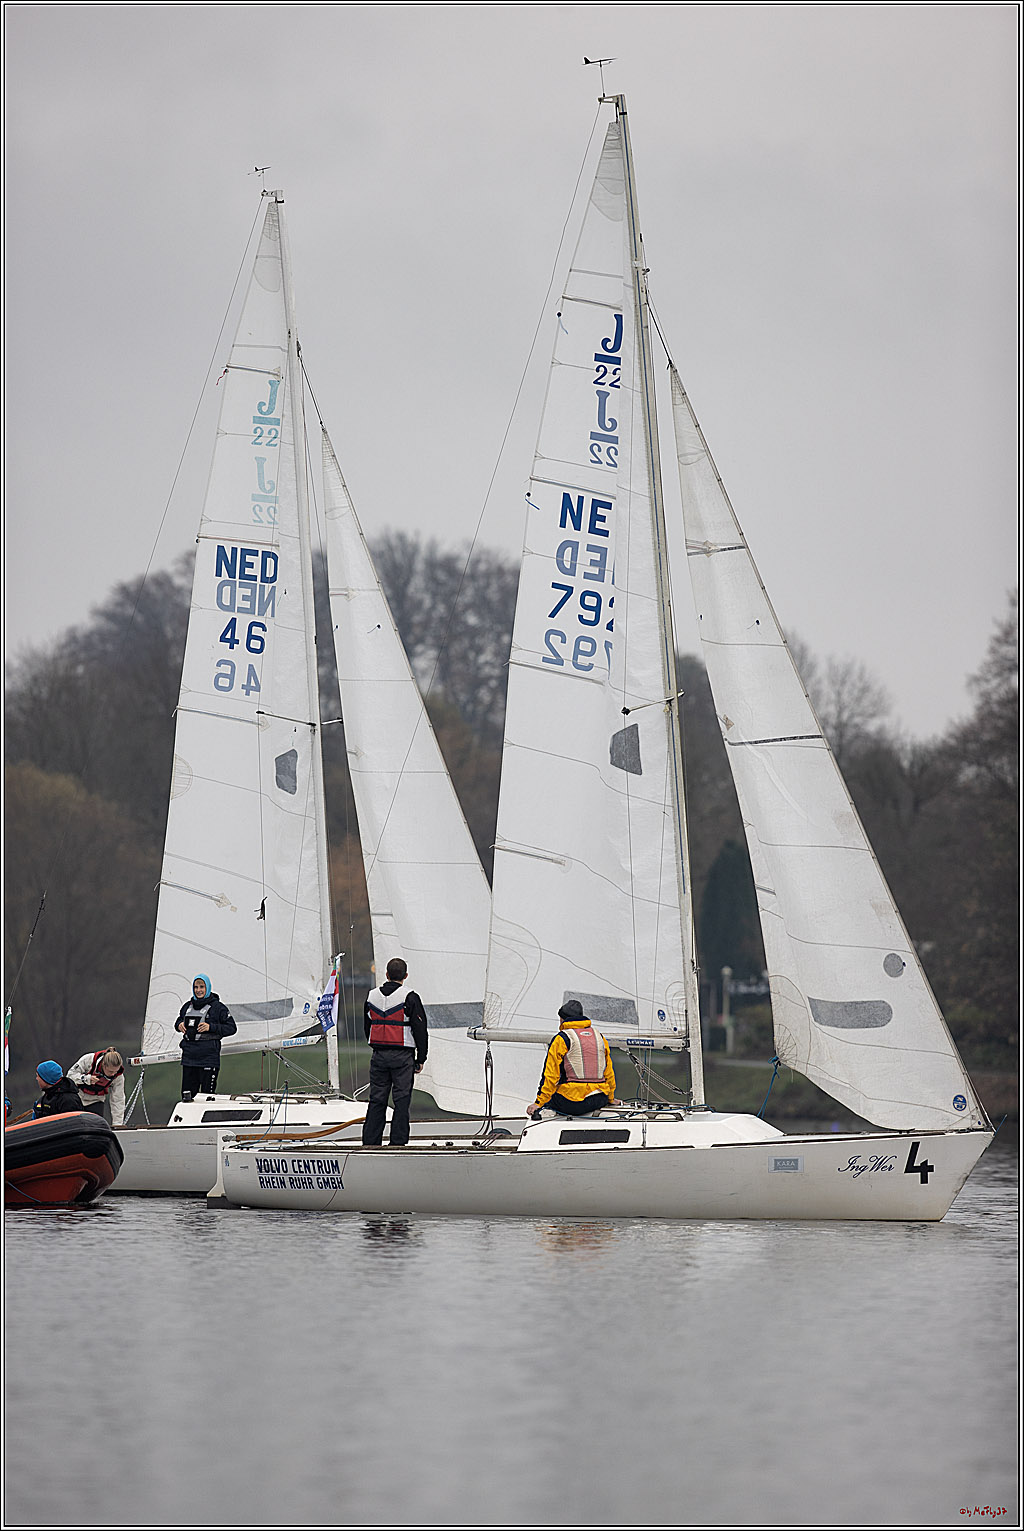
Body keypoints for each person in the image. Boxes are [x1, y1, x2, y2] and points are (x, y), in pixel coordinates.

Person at [362, 957, 428, 1147]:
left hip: (379, 1056)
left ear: (386, 975)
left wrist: (376, 1047)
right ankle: (397, 1143)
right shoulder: (410, 997)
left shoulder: (371, 996)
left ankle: (370, 1143)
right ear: (405, 976)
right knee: (401, 1101)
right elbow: (420, 1029)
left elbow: (367, 1027)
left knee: (377, 1100)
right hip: (402, 1057)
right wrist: (421, 1057)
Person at [525, 1000, 616, 1118]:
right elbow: (608, 1072)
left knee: (551, 1098)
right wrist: (611, 1098)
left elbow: (551, 1076)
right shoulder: (599, 1037)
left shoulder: (562, 1038)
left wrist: (539, 1103)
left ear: (562, 1019)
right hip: (600, 1098)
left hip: (573, 1103)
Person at [173, 973, 236, 1101]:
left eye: (202, 987)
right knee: (187, 1096)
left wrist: (211, 1027)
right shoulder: (187, 1006)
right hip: (189, 1058)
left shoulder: (218, 1008)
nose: (198, 990)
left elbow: (231, 1028)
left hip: (208, 1058)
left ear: (207, 988)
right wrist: (179, 1025)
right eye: (196, 987)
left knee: (207, 1097)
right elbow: (178, 1021)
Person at [68, 1047, 126, 1126]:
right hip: (78, 1097)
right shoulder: (88, 1060)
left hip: (96, 1100)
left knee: (95, 1127)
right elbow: (70, 1076)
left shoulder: (118, 1077)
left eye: (115, 1071)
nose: (113, 1074)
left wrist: (117, 1124)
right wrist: (87, 1079)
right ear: (103, 1065)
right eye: (110, 1071)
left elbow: (118, 1100)